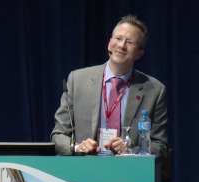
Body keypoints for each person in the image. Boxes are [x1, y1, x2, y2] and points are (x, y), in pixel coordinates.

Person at [51, 15, 168, 158]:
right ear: (109, 43)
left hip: (128, 174)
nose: (122, 45)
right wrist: (77, 147)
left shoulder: (154, 90)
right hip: (83, 170)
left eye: (129, 42)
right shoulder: (78, 80)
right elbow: (58, 135)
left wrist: (129, 151)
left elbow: (160, 146)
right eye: (118, 38)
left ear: (139, 54)